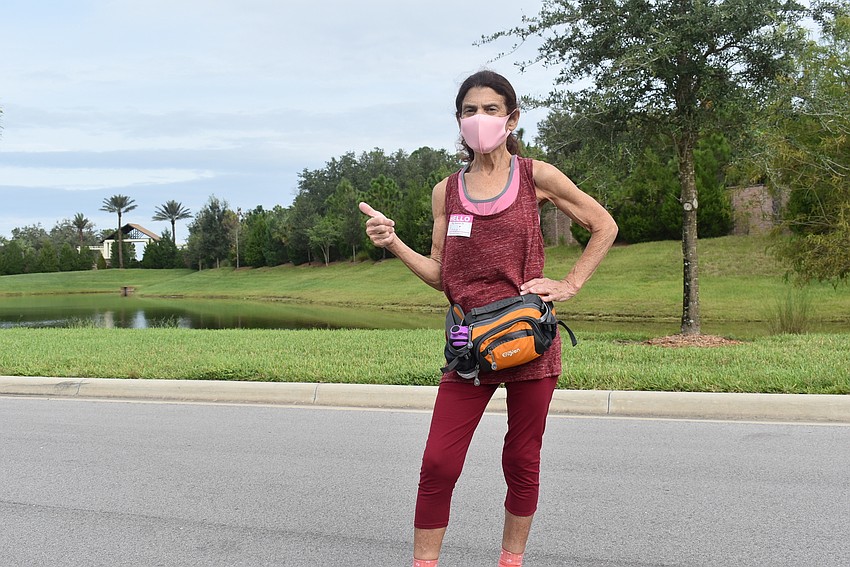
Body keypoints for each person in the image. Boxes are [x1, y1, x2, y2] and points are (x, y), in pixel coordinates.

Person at [360, 70, 617, 567]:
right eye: (470, 110)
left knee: (521, 459)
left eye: (491, 109)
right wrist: (393, 244)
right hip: (469, 347)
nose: (480, 119)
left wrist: (570, 284)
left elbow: (602, 224)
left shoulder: (534, 175)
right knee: (438, 462)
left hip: (527, 341)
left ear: (512, 117)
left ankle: (510, 560)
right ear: (459, 122)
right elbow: (440, 274)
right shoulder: (445, 192)